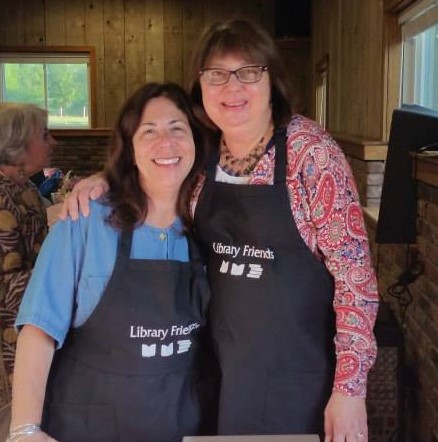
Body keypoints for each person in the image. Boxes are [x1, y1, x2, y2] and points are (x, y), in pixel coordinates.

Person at [62, 20, 379, 442]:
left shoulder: (312, 153)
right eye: (216, 74)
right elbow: (151, 168)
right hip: (215, 376)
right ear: (201, 86)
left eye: (248, 72)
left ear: (272, 80)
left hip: (299, 381)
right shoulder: (202, 152)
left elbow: (356, 281)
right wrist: (103, 180)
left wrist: (350, 390)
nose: (232, 88)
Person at [9, 83, 212, 442]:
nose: (165, 143)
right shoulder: (86, 219)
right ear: (130, 149)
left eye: (177, 129)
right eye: (149, 131)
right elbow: (39, 330)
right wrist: (25, 429)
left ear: (196, 141)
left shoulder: (210, 223)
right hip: (87, 424)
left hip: (179, 425)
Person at [0, 103, 55, 417]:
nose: (52, 142)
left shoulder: (27, 188)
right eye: (44, 135)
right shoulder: (3, 195)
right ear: (17, 143)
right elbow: (6, 285)